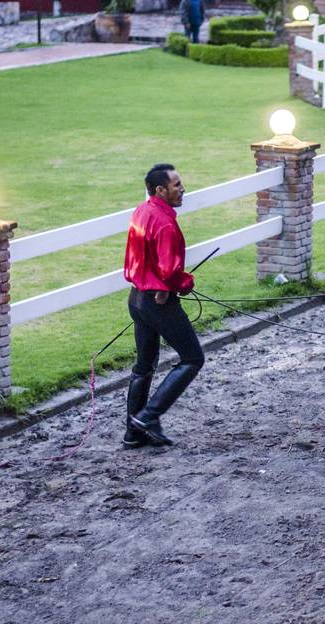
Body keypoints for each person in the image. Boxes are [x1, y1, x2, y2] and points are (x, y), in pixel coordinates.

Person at [122, 164, 204, 448]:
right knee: (193, 358)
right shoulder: (166, 223)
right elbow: (170, 271)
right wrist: (185, 283)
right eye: (177, 185)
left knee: (144, 365)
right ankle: (149, 416)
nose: (182, 189)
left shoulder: (142, 211)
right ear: (161, 190)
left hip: (137, 299)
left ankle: (133, 433)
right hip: (159, 302)